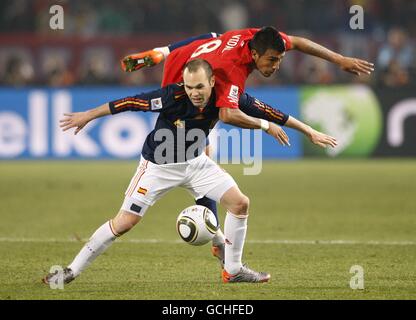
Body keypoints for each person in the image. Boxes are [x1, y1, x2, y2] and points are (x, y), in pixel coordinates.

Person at [43, 59, 336, 285]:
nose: (194, 93)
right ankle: (71, 270)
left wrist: (309, 131)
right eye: (189, 86)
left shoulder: (226, 97)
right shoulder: (171, 97)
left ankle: (233, 270)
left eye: (200, 87)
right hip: (157, 168)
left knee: (240, 203)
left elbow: (270, 112)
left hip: (196, 164)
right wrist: (87, 115)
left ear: (212, 83)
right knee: (124, 223)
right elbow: (128, 103)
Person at [121, 25, 362, 264]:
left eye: (279, 59)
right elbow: (229, 114)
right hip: (186, 78)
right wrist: (267, 126)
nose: (276, 66)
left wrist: (339, 59)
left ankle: (161, 52)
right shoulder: (233, 69)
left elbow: (297, 42)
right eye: (272, 60)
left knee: (202, 153)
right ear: (255, 54)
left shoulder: (258, 38)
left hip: (191, 56)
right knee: (198, 152)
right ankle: (218, 241)